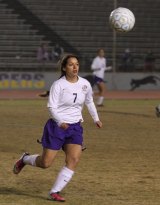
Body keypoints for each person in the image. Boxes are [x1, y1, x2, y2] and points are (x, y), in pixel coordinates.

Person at [13, 53, 102, 202]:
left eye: (77, 64)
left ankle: (54, 192)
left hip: (75, 127)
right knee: (46, 163)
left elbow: (89, 102)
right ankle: (25, 159)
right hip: (56, 127)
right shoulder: (58, 85)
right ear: (64, 67)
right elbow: (51, 107)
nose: (75, 67)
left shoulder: (85, 84)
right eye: (71, 64)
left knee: (73, 159)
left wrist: (96, 119)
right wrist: (60, 122)